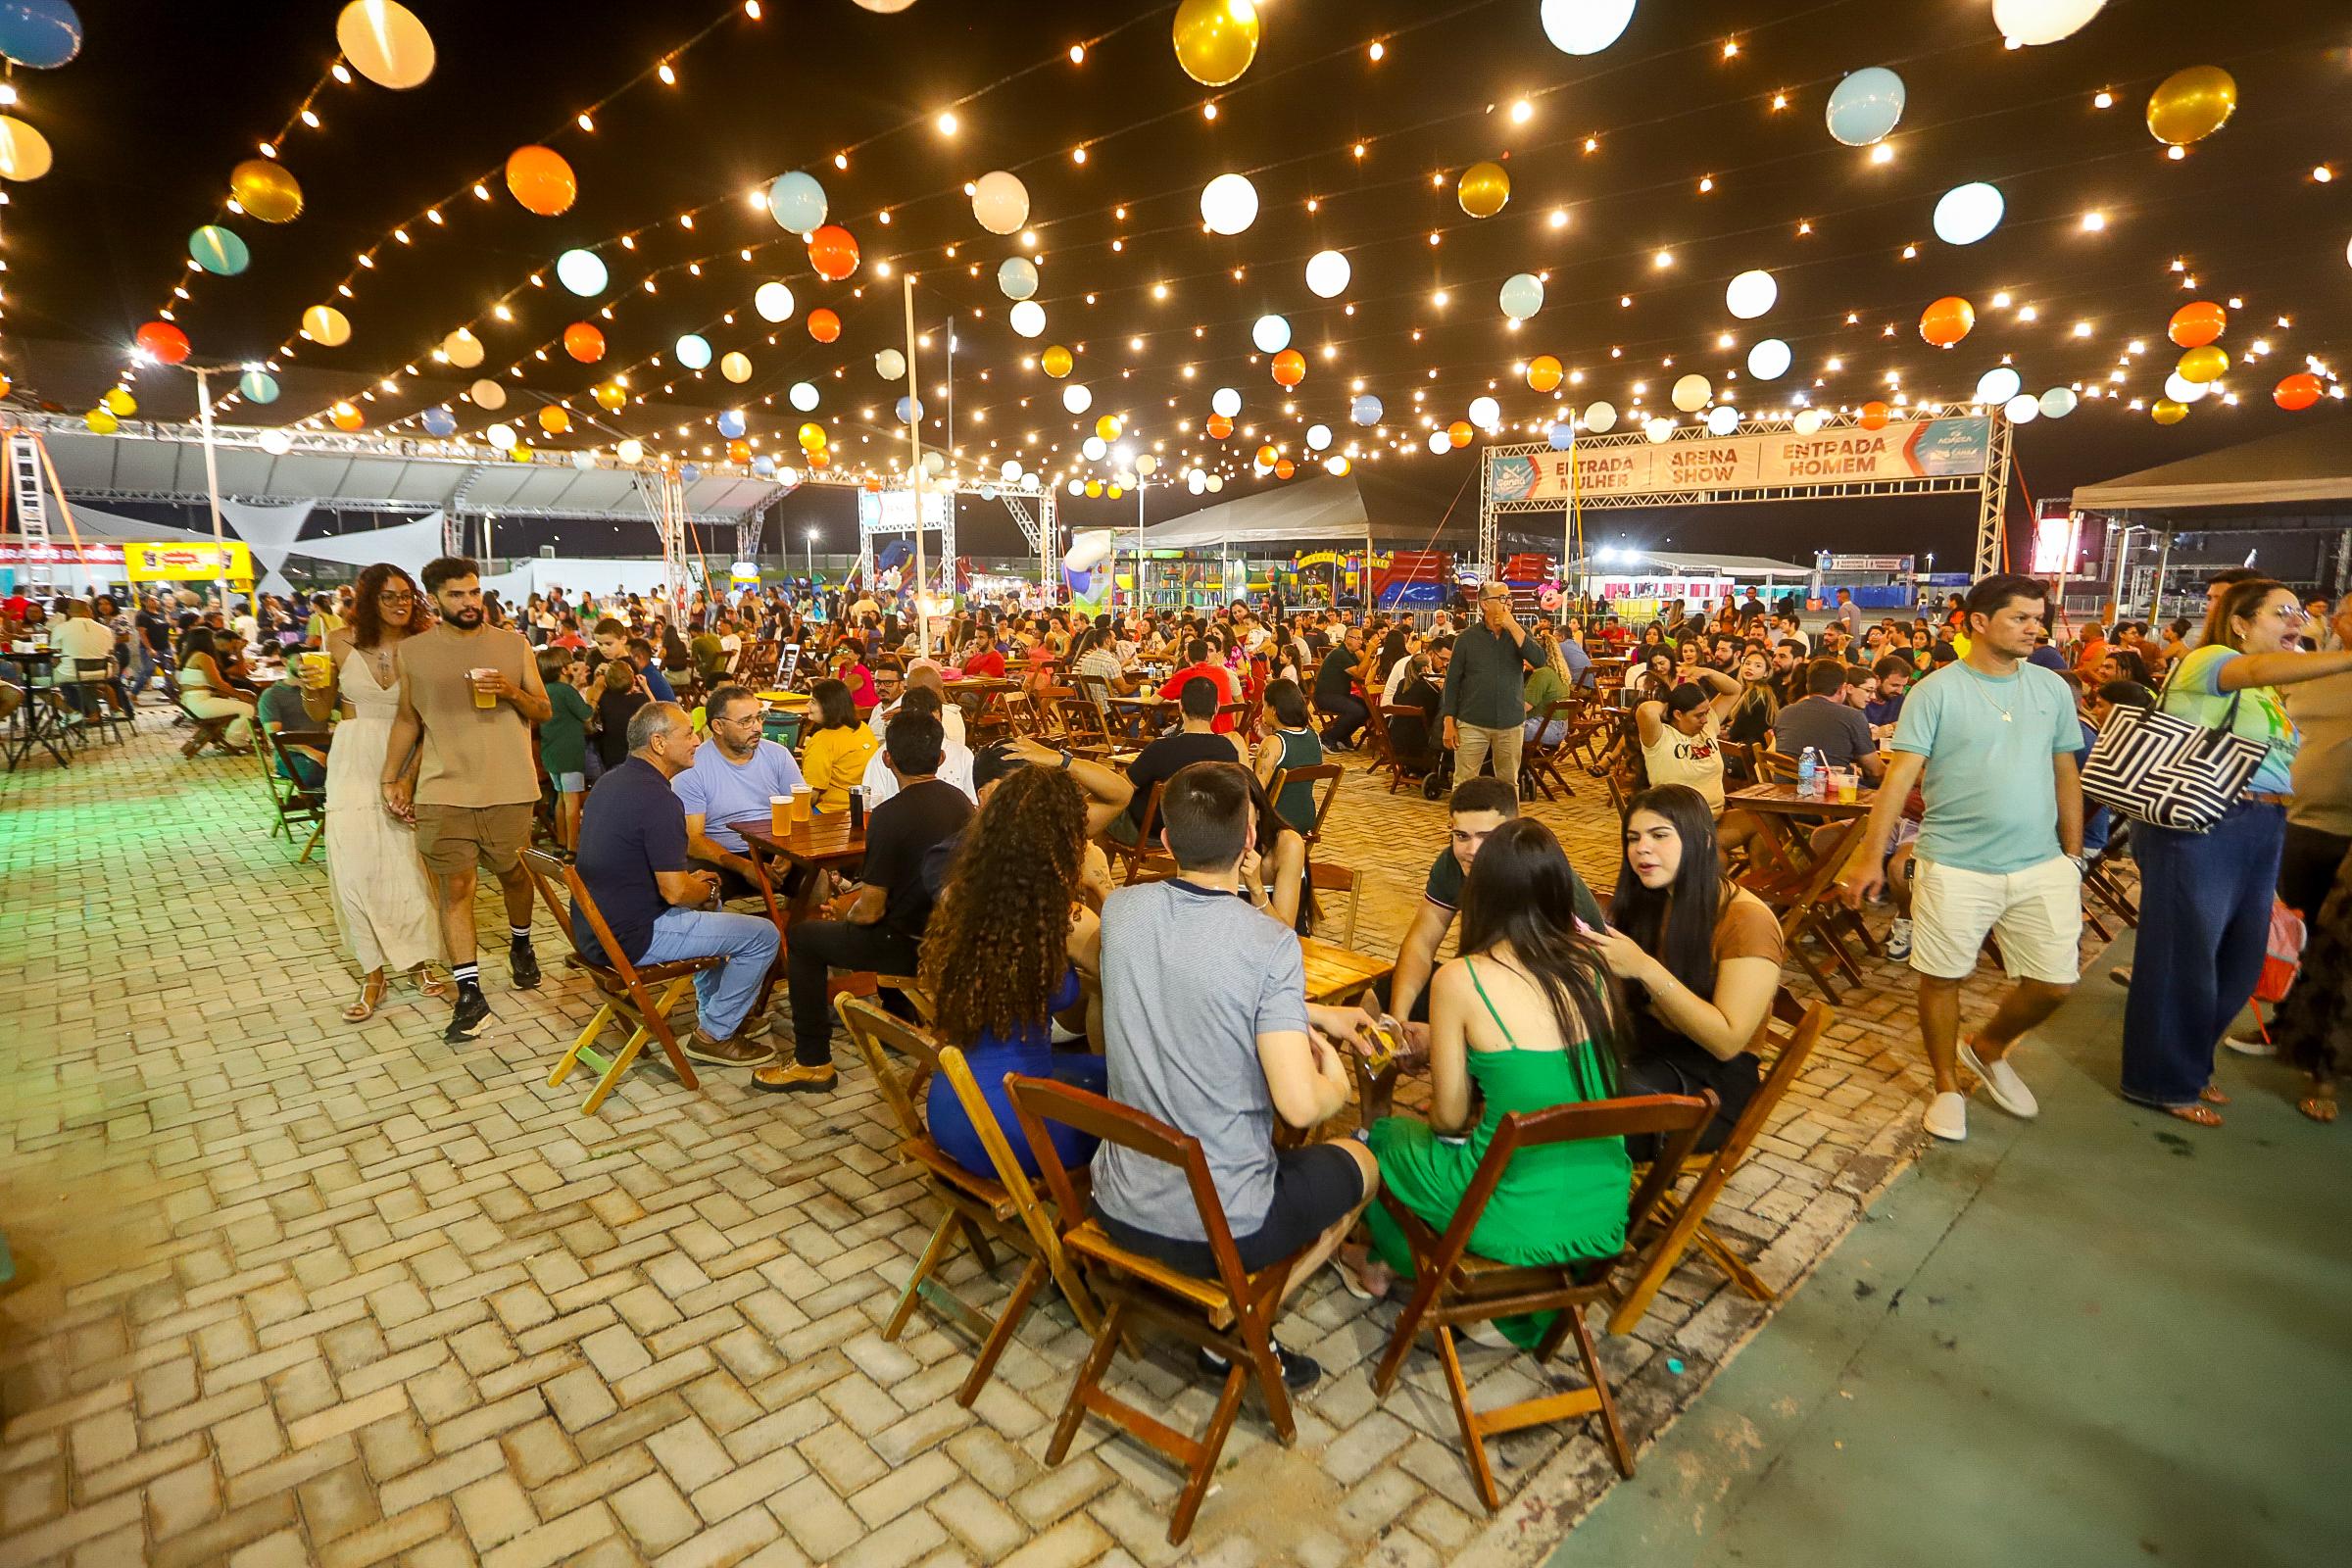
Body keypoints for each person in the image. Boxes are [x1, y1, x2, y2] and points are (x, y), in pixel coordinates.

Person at [1091, 760, 1383, 1385]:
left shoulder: (1122, 912)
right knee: (1363, 1163)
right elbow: (1299, 1107)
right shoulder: (1268, 944)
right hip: (1223, 1225)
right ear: (1250, 839)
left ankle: (1234, 1316)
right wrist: (1336, 1083)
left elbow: (1195, 976)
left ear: (1166, 839)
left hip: (1118, 1201)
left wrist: (1308, 1012)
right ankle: (1241, 1327)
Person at [1342, 816, 1636, 1339]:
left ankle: (1392, 1264)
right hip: (1601, 1211)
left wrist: (1437, 1061)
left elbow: (1449, 1121)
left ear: (1481, 894)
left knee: (1383, 1139)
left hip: (1513, 1216)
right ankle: (1398, 1268)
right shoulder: (1594, 967)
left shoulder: (1462, 979)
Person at [1842, 574, 2084, 1142]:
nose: (2035, 628)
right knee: (1943, 977)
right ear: (1978, 621)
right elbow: (1899, 779)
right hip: (1953, 861)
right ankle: (1947, 1086)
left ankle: (1988, 1047)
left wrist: (2072, 856)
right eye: (2021, 618)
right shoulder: (1937, 691)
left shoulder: (2050, 689)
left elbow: (2065, 773)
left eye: (2038, 618)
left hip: (2040, 862)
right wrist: (1870, 856)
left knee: (2054, 983)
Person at [2121, 580, 2352, 1125]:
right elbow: (2256, 668)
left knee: (2242, 962)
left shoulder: (2269, 686)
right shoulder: (2210, 661)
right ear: (2241, 622)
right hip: (2204, 822)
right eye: (2281, 612)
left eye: (2300, 612)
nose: (2297, 620)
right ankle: (2159, 1080)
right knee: (2183, 958)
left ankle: (2190, 1064)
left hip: (2263, 823)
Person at [381, 556, 554, 1043]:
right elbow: (408, 720)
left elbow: (543, 709)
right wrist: (391, 778)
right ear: (434, 599)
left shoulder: (513, 644)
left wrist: (511, 692)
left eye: (473, 592)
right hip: (443, 790)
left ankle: (521, 942)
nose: (469, 602)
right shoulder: (413, 652)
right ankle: (470, 994)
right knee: (454, 889)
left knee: (514, 875)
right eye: (456, 595)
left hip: (509, 786)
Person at [759, 709, 973, 1094]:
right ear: (941, 758)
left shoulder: (889, 815)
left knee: (804, 938)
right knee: (884, 917)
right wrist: (853, 906)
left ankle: (812, 1061)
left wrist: (847, 911)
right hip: (947, 937)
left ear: (887, 759)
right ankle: (901, 1016)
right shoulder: (960, 803)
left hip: (906, 945)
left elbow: (871, 909)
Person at [918, 765, 1108, 1180]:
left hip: (952, 1107)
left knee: (1100, 1073)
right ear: (1065, 843)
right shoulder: (1065, 920)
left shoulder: (962, 897)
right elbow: (1133, 971)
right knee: (1139, 1102)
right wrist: (1099, 886)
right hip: (1010, 1128)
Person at [572, 702, 780, 1066]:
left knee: (713, 904)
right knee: (763, 935)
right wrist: (704, 890)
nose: (697, 741)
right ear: (658, 743)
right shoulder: (659, 799)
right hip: (632, 937)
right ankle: (715, 1034)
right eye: (688, 734)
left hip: (594, 929)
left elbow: (647, 871)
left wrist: (694, 887)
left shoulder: (611, 781)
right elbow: (675, 892)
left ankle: (715, 1012)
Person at [1593, 785, 1785, 1155]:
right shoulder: (1653, 900)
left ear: (1704, 842)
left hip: (1711, 1090)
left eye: (1659, 835)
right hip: (1651, 1051)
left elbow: (1727, 1042)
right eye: (1633, 838)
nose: (1642, 848)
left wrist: (1645, 969)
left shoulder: (1747, 921)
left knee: (1575, 1119)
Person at [300, 563, 446, 1022]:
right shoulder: (338, 641)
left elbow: (430, 717)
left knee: (408, 864)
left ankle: (419, 961)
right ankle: (372, 972)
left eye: (406, 595)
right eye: (389, 596)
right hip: (352, 757)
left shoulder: (424, 644)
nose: (400, 604)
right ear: (369, 600)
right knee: (354, 865)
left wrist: (411, 774)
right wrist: (309, 689)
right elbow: (319, 711)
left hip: (408, 758)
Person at [1391, 777, 1606, 1029]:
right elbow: (1421, 942)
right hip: (1498, 983)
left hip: (1563, 1004)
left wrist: (1445, 1036)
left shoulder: (1538, 876)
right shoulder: (1453, 863)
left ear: (1514, 829)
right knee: (1383, 991)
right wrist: (1398, 1021)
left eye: (1487, 836)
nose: (1472, 850)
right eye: (1461, 836)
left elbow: (1558, 987)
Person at [673, 683, 808, 897]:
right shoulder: (693, 766)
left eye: (759, 717)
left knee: (817, 878)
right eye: (746, 722)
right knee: (699, 886)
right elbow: (693, 840)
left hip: (776, 849)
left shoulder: (779, 755)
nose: (758, 728)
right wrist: (745, 867)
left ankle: (800, 920)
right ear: (718, 726)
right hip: (723, 856)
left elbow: (801, 814)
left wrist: (789, 853)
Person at [1110, 677, 1248, 845]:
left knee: (1107, 813)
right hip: (1206, 833)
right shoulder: (1228, 750)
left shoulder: (1160, 749)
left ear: (1181, 706)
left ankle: (1096, 860)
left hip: (1156, 832)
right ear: (1216, 708)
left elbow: (1121, 787)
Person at [1444, 581, 1542, 799]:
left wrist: (1513, 626)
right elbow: (1452, 682)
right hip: (1472, 721)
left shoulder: (1519, 634)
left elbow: (1539, 659)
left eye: (1509, 597)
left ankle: (1508, 821)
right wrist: (1448, 721)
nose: (1509, 602)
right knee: (1464, 783)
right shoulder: (1466, 639)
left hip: (1510, 722)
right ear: (1485, 604)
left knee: (1508, 783)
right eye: (1503, 598)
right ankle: (1461, 820)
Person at [1771, 659, 1886, 778]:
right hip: (1830, 787)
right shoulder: (1853, 716)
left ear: (1808, 686)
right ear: (1842, 688)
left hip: (1784, 787)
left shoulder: (1784, 713)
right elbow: (1875, 771)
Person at [861, 686, 975, 806]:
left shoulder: (963, 754)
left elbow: (974, 804)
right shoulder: (885, 755)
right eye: (919, 725)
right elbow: (870, 804)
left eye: (934, 723)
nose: (927, 731)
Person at [538, 647, 594, 855]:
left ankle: (561, 842)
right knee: (572, 801)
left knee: (561, 797)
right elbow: (586, 713)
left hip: (551, 752)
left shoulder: (544, 690)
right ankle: (572, 848)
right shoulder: (566, 691)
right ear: (563, 669)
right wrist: (595, 695)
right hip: (570, 753)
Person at [1252, 678, 1324, 833]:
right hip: (1306, 817)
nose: (1262, 711)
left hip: (1277, 820)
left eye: (1264, 705)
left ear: (1273, 710)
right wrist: (1268, 737)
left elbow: (1257, 790)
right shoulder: (1314, 737)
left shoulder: (1274, 742)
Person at [798, 676, 879, 811]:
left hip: (829, 810)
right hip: (863, 806)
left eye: (813, 701)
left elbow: (811, 795)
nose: (807, 705)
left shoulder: (822, 740)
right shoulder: (863, 729)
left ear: (829, 706)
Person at [174, 625, 256, 755]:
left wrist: (234, 694)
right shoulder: (203, 657)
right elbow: (217, 682)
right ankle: (234, 742)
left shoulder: (192, 656)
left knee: (242, 704)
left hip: (192, 703)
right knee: (248, 709)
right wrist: (240, 695)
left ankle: (231, 740)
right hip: (199, 705)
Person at [1313, 627, 1367, 749]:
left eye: (1361, 639)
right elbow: (1358, 673)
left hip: (1341, 694)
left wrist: (1371, 655)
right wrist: (1369, 652)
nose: (1360, 642)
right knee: (1357, 711)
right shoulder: (1339, 653)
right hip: (1326, 696)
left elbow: (1363, 670)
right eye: (1358, 638)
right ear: (1347, 639)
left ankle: (1343, 736)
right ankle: (1328, 737)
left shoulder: (1350, 654)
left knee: (1368, 708)